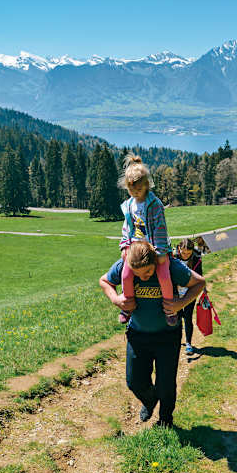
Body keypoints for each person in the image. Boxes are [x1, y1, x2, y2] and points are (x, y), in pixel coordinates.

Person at [99, 241, 206, 428]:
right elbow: (104, 281)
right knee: (134, 381)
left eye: (147, 272)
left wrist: (181, 303)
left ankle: (166, 420)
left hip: (168, 336)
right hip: (137, 335)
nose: (143, 277)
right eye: (137, 274)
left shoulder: (171, 267)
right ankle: (149, 401)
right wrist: (116, 299)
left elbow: (199, 283)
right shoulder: (125, 264)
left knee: (166, 384)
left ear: (155, 262)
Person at [117, 155, 176, 325]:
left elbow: (160, 228)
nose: (135, 192)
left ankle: (169, 309)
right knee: (126, 275)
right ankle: (128, 306)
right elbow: (127, 228)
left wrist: (160, 252)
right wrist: (124, 246)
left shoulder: (154, 204)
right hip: (136, 249)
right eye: (131, 189)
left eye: (139, 189)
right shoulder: (128, 205)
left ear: (146, 185)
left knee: (164, 277)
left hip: (155, 247)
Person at [175, 238, 204, 355]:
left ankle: (188, 343)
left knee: (187, 317)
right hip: (176, 292)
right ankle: (175, 341)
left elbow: (199, 275)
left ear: (192, 251)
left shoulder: (196, 259)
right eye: (183, 252)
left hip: (190, 293)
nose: (185, 255)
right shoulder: (173, 259)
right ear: (179, 249)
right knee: (176, 318)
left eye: (188, 253)